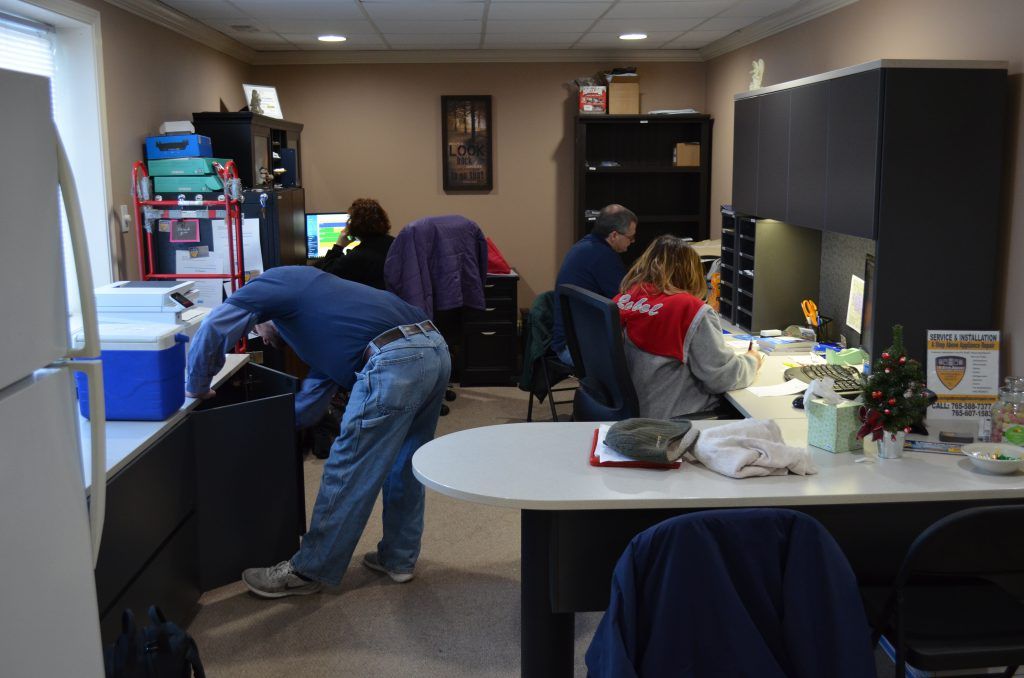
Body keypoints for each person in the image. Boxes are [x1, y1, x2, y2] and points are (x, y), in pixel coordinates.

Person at [185, 266, 451, 597]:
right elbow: (308, 407)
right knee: (404, 464)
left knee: (347, 467)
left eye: (259, 329)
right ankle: (398, 558)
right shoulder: (323, 325)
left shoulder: (271, 283)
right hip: (433, 348)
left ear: (263, 311)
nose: (264, 337)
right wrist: (258, 429)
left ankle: (308, 570)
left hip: (394, 358)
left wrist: (196, 384)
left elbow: (214, 326)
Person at [614, 235, 763, 419]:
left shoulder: (625, 297)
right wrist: (752, 360)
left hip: (631, 412)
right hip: (676, 418)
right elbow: (721, 378)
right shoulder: (688, 309)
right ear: (689, 270)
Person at [551, 204, 637, 365]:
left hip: (569, 341)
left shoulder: (585, 246)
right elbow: (627, 301)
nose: (633, 241)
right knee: (644, 357)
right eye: (630, 237)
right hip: (576, 348)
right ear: (614, 235)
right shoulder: (603, 257)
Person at [321, 198, 395, 290]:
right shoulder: (395, 244)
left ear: (354, 225)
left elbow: (327, 275)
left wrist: (339, 245)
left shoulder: (357, 255)